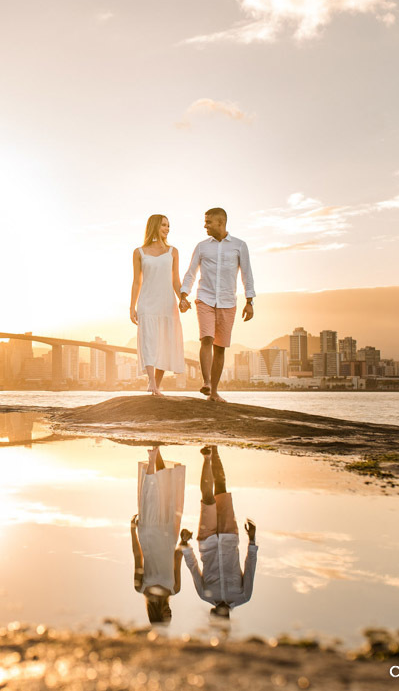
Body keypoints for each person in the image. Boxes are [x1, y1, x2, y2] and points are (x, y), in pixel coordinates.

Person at [178, 207, 255, 402]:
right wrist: (183, 295)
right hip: (205, 298)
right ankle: (207, 382)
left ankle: (213, 393)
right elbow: (191, 272)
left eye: (208, 222)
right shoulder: (202, 246)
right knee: (207, 338)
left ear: (220, 222)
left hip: (228, 302)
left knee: (220, 347)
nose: (205, 225)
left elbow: (247, 274)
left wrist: (249, 301)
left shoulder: (239, 245)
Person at [180, 445, 257, 617]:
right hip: (229, 538)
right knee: (221, 487)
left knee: (207, 499)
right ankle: (214, 449)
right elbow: (250, 567)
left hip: (207, 543)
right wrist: (252, 540)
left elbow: (193, 568)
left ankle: (206, 458)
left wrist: (185, 545)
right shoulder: (243, 596)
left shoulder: (204, 595)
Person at [129, 214, 186, 395]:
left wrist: (183, 298)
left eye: (168, 225)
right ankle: (151, 382)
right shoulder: (139, 252)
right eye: (163, 225)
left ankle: (156, 385)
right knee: (149, 341)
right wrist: (132, 307)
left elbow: (176, 281)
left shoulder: (173, 252)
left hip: (167, 303)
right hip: (147, 302)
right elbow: (136, 281)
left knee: (165, 344)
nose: (167, 229)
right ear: (154, 226)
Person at [131, 446, 185, 624]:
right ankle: (157, 451)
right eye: (171, 615)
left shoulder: (141, 587)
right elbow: (177, 556)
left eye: (166, 616)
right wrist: (184, 542)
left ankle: (152, 457)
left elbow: (137, 556)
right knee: (166, 492)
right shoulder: (174, 589)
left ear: (157, 615)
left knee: (151, 496)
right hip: (169, 535)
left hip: (148, 534)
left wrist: (132, 530)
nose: (170, 613)